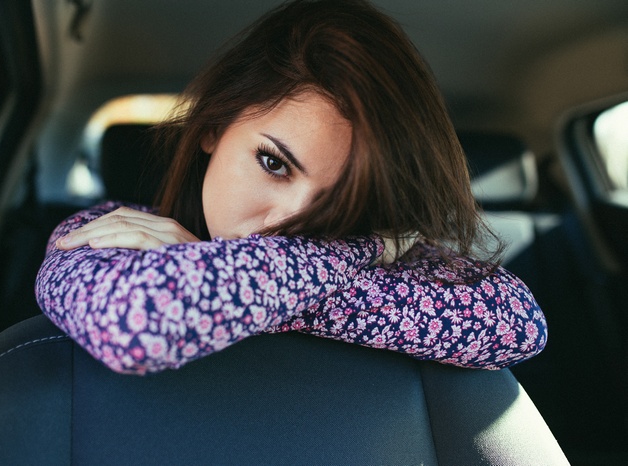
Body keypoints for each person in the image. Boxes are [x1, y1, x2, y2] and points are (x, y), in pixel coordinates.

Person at [36, 0, 547, 375]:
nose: (290, 222)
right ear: (213, 127)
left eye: (339, 199)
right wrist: (349, 259)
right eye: (273, 163)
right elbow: (134, 325)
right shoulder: (110, 231)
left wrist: (348, 252)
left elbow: (520, 326)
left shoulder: (398, 257)